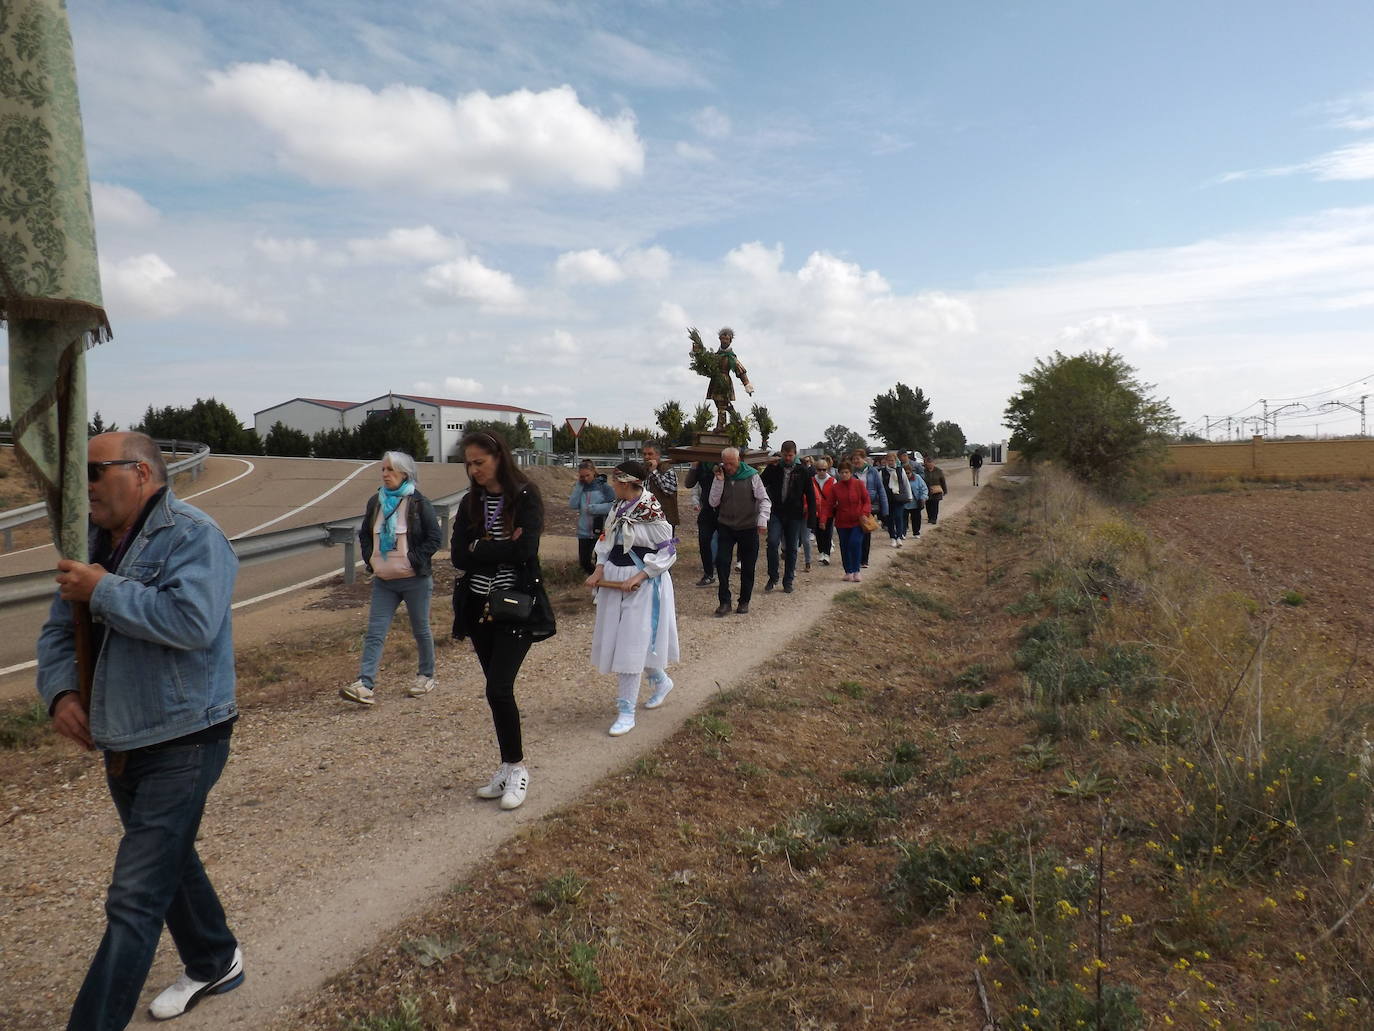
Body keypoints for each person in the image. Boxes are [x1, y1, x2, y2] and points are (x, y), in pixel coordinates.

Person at [37, 432, 243, 1027]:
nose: (87, 486)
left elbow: (192, 622)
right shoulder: (92, 544)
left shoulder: (193, 536)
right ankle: (214, 956)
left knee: (134, 898)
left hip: (186, 736)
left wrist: (103, 589)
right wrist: (60, 693)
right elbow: (57, 631)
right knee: (167, 860)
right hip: (122, 736)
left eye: (97, 472)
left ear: (143, 474)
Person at [451, 431, 556, 811]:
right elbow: (459, 557)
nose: (473, 469)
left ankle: (517, 770)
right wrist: (498, 548)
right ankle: (506, 765)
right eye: (469, 463)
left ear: (499, 457)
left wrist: (483, 547)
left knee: (498, 689)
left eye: (479, 462)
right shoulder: (469, 503)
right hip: (477, 607)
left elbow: (526, 550)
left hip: (515, 606)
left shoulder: (525, 496)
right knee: (496, 692)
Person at [585, 462, 680, 736]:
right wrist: (598, 569)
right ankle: (660, 680)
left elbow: (668, 551)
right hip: (614, 579)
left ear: (626, 482)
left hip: (642, 584)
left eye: (616, 481)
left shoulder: (651, 511)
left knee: (631, 642)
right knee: (618, 638)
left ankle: (626, 711)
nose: (612, 485)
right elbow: (606, 540)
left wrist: (639, 577)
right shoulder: (618, 507)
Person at [340, 452, 442, 705]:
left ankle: (426, 675)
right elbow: (365, 534)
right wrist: (371, 559)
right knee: (375, 632)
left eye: (390, 470)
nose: (385, 474)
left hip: (415, 580)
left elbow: (435, 538)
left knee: (421, 630)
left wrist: (413, 559)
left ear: (404, 474)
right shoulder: (375, 502)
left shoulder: (419, 503)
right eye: (383, 469)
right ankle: (364, 684)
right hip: (384, 581)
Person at [707, 446, 771, 616]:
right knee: (722, 563)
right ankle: (724, 601)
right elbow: (713, 502)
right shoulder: (720, 475)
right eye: (725, 464)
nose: (728, 468)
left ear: (739, 461)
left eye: (732, 464)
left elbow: (764, 499)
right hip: (726, 525)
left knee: (748, 567)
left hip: (748, 526)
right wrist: (719, 481)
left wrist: (762, 520)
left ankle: (744, 601)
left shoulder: (752, 475)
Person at [761, 440, 816, 594]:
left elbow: (810, 496)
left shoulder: (803, 471)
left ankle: (788, 580)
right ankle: (773, 576)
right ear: (781, 453)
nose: (787, 458)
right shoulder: (773, 469)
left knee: (792, 548)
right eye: (785, 455)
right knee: (772, 543)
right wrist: (766, 465)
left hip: (794, 514)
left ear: (795, 454)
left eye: (790, 455)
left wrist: (812, 519)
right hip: (776, 512)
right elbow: (759, 483)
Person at [689, 326, 755, 432]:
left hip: (724, 381)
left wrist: (747, 384)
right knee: (719, 403)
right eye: (722, 338)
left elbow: (741, 371)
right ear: (719, 339)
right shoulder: (715, 356)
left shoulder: (731, 357)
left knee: (722, 404)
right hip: (715, 381)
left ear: (730, 340)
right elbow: (705, 362)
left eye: (727, 339)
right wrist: (698, 353)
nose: (724, 341)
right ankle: (736, 419)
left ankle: (721, 426)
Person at [568, 459, 614, 574]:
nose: (585, 479)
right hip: (583, 532)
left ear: (594, 472)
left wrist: (596, 508)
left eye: (587, 475)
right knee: (584, 562)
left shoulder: (604, 487)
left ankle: (602, 584)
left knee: (601, 561)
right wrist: (579, 485)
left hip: (600, 531)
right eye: (582, 476)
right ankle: (596, 580)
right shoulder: (580, 487)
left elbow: (615, 506)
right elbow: (573, 505)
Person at [830, 460, 872, 582]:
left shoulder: (858, 484)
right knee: (844, 546)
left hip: (857, 521)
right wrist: (823, 519)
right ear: (839, 473)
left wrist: (865, 513)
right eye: (842, 472)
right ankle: (848, 571)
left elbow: (866, 500)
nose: (844, 475)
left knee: (855, 543)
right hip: (842, 522)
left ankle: (856, 570)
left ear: (851, 472)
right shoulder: (835, 488)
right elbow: (829, 504)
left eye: (846, 472)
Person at [849, 447, 887, 568]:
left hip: (868, 504)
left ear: (864, 459)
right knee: (856, 531)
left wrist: (884, 508)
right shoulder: (851, 473)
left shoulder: (873, 472)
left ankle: (864, 559)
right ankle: (857, 557)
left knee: (865, 530)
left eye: (858, 458)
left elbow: (880, 489)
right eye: (854, 459)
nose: (856, 461)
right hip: (854, 505)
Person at [683, 459, 718, 587]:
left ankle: (722, 574)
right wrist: (693, 467)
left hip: (724, 510)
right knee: (704, 541)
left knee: (724, 544)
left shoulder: (723, 463)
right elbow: (688, 483)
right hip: (707, 509)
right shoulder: (701, 465)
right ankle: (708, 574)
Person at [641, 442, 680, 530]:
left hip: (664, 520)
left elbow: (669, 490)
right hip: (646, 517)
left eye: (650, 454)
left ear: (658, 455)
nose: (646, 457)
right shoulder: (643, 470)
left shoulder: (667, 469)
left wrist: (654, 472)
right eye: (644, 454)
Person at [879, 451, 912, 548]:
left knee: (899, 517)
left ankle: (899, 536)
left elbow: (906, 483)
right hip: (888, 498)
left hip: (899, 497)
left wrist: (909, 496)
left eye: (892, 460)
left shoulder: (900, 470)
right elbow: (880, 486)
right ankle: (892, 537)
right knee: (889, 518)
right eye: (889, 460)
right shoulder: (882, 472)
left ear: (895, 460)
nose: (891, 462)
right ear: (886, 461)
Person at [811, 457, 838, 565]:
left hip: (829, 511)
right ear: (816, 469)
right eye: (819, 469)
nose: (821, 472)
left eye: (824, 469)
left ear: (827, 469)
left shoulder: (832, 480)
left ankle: (827, 554)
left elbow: (835, 495)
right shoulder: (812, 480)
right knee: (818, 532)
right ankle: (821, 552)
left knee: (827, 532)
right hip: (816, 511)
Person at [903, 455, 930, 539]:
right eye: (905, 473)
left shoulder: (917, 478)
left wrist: (923, 497)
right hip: (904, 503)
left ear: (911, 472)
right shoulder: (900, 480)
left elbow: (924, 489)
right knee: (903, 519)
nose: (907, 475)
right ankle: (903, 533)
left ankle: (916, 532)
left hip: (915, 503)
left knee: (916, 519)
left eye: (908, 473)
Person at [924, 454, 949, 526]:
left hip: (937, 490)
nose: (929, 465)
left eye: (930, 463)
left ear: (933, 463)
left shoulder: (938, 471)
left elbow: (943, 481)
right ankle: (930, 518)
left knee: (935, 504)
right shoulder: (924, 471)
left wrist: (945, 490)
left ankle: (934, 519)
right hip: (927, 490)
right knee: (928, 505)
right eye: (928, 464)